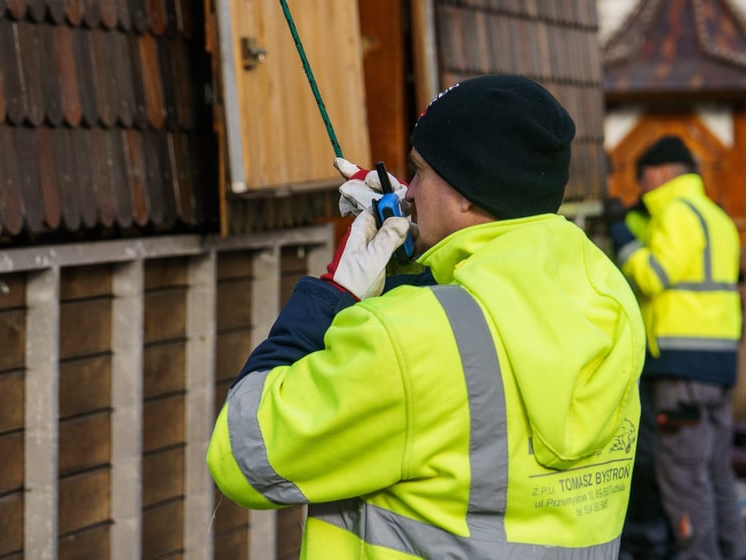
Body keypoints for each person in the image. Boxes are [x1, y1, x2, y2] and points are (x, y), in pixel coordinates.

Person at [207, 74, 646, 559]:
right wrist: (409, 257)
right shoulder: (609, 298)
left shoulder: (410, 339)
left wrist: (335, 291)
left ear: (466, 193)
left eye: (418, 172)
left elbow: (246, 454)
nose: (409, 193)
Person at [609, 136, 746, 560]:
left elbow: (654, 275)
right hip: (719, 362)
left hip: (680, 365)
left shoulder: (676, 212)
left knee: (683, 478)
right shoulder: (715, 216)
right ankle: (733, 551)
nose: (641, 186)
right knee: (715, 472)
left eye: (645, 176)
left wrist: (621, 236)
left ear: (665, 173)